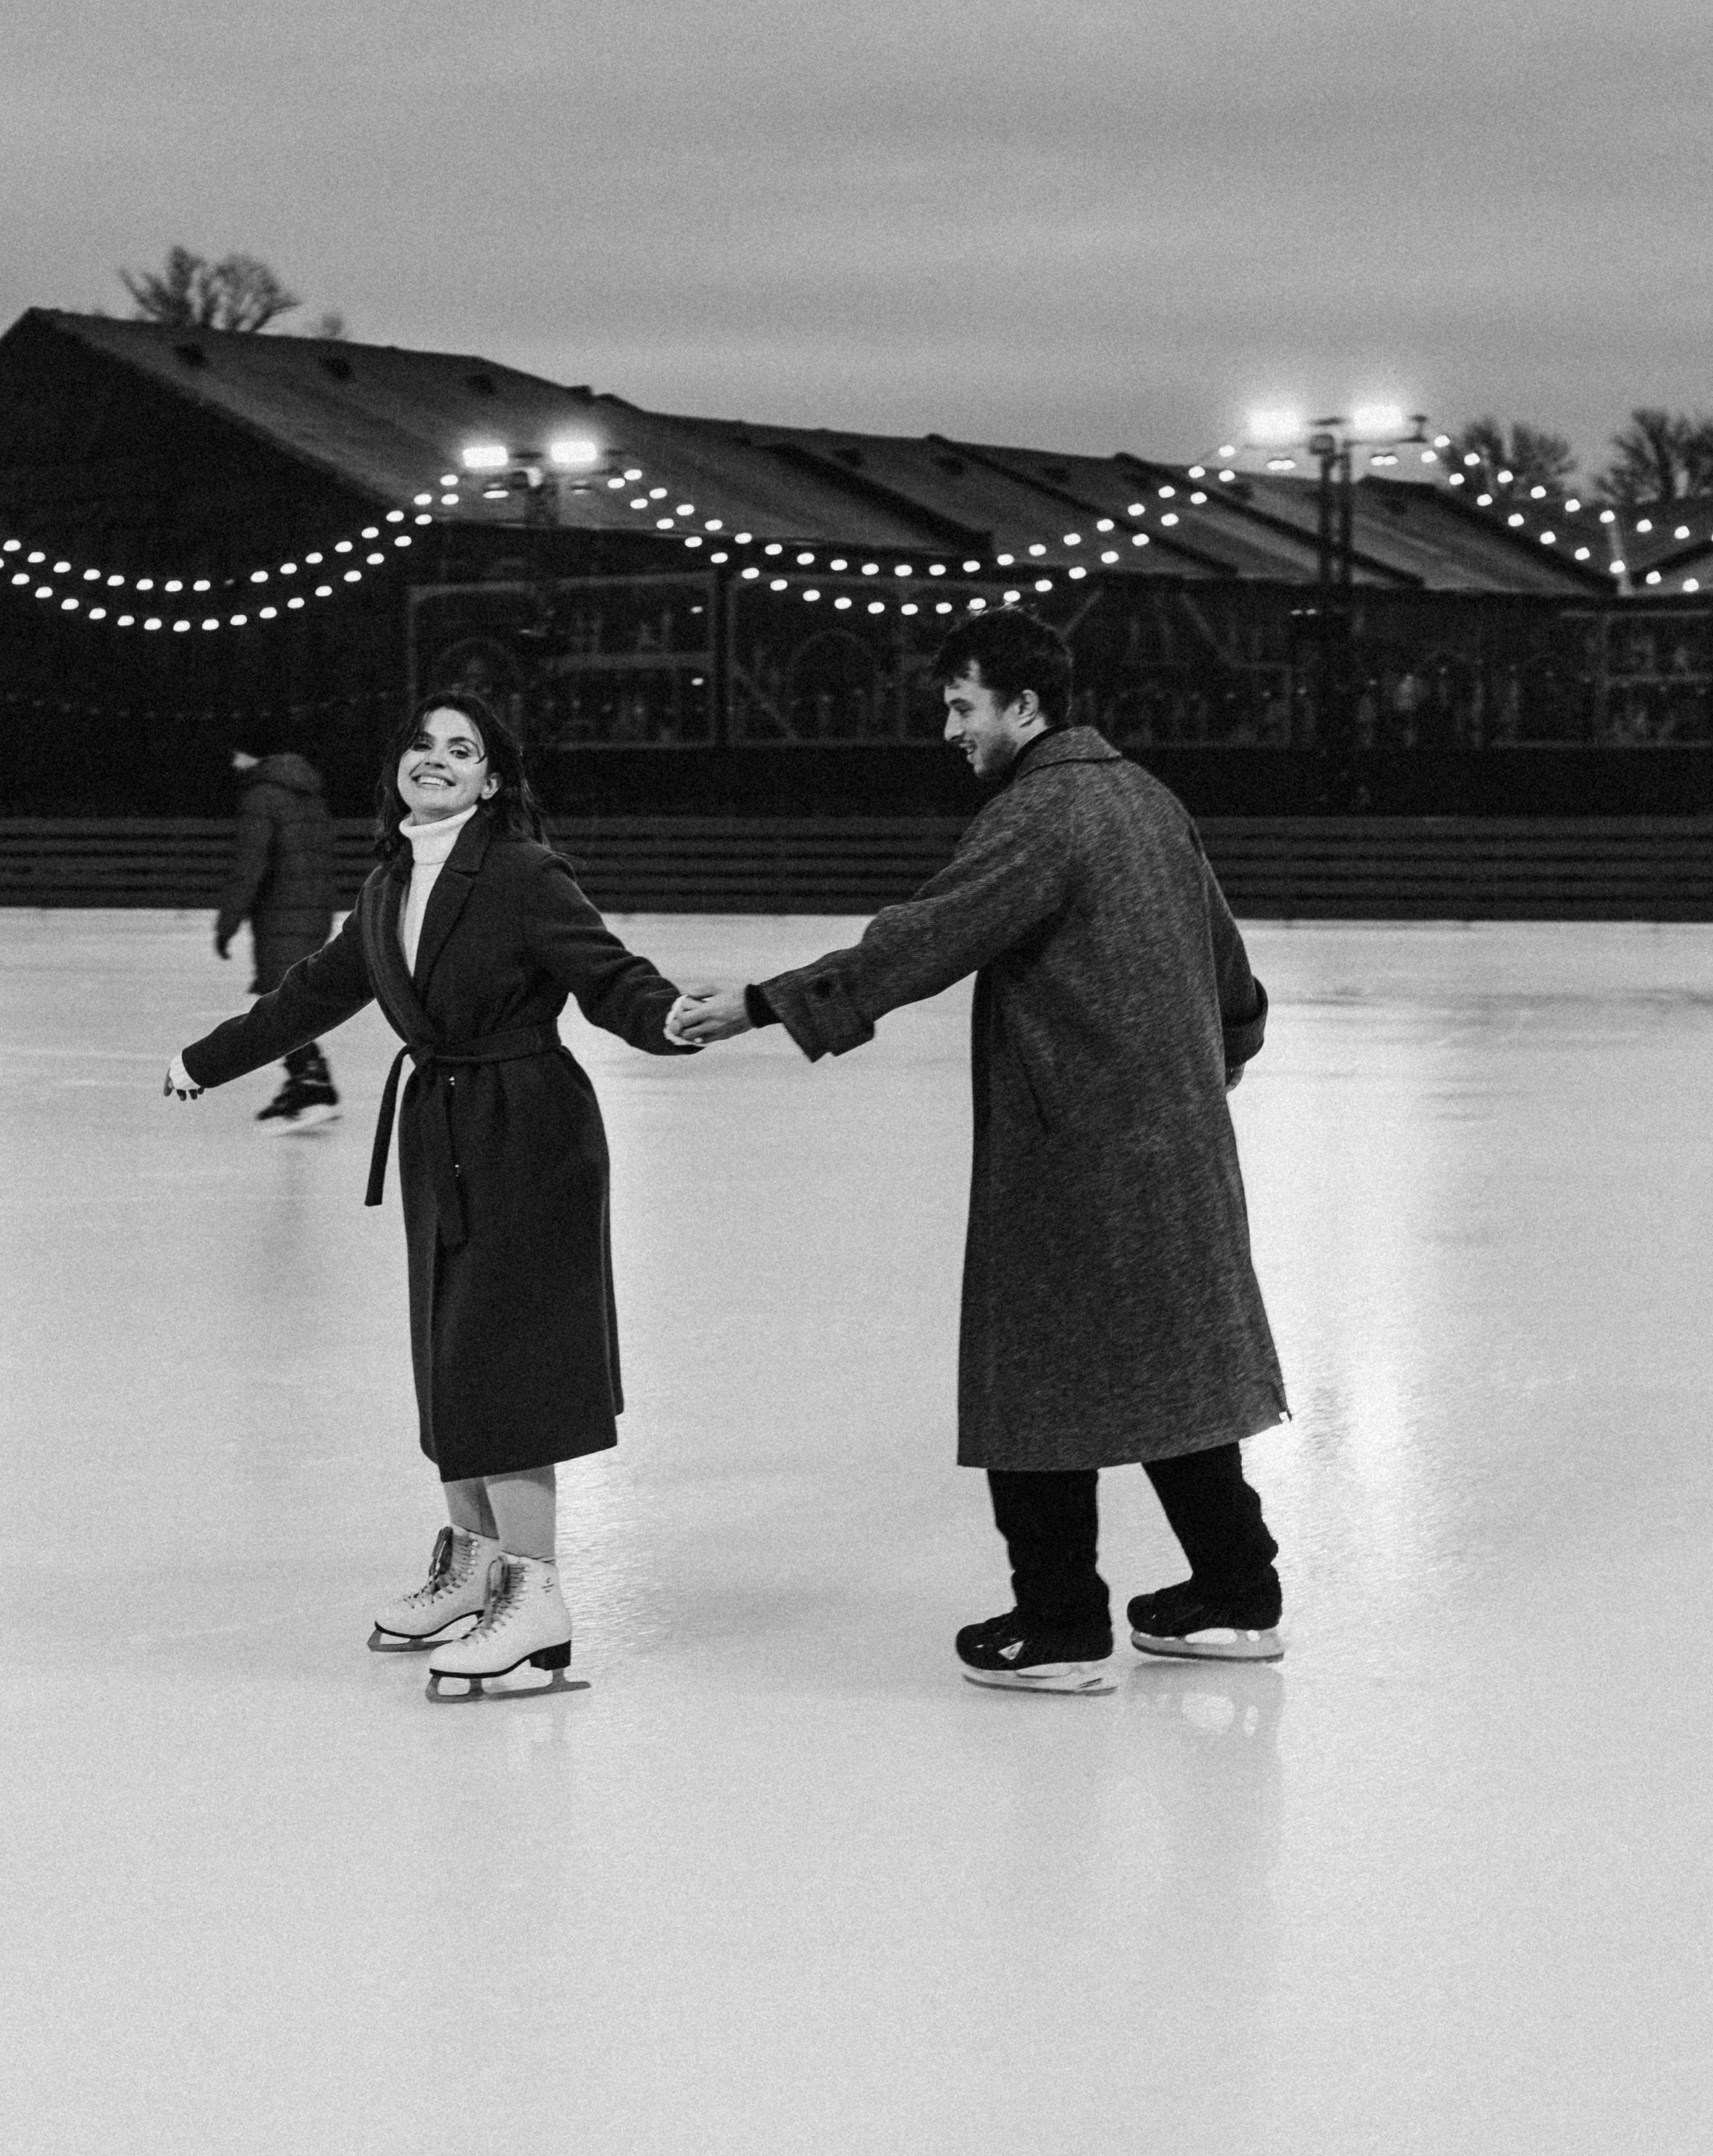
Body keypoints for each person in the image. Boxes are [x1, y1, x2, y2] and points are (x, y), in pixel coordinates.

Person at [670, 610, 1289, 1695]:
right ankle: (1237, 1595)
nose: (950, 730)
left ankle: (1057, 1622)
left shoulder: (1041, 812)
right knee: (1170, 1370)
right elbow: (1227, 963)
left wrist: (771, 1004)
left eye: (963, 707)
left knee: (1033, 1381)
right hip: (1176, 1145)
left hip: (1073, 1153)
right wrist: (1218, 1062)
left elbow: (929, 935)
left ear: (1026, 708)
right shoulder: (1148, 798)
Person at [166, 693, 699, 1700]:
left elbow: (607, 974)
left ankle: (535, 1597)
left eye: (463, 750)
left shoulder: (521, 871)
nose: (438, 759)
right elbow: (315, 992)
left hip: (529, 1129)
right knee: (450, 1354)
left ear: (493, 780)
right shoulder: (389, 882)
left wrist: (669, 1018)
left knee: (511, 1366)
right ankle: (473, 1565)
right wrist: (207, 1059)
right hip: (443, 1129)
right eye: (423, 744)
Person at [214, 739, 341, 1130]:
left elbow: (250, 865)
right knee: (288, 998)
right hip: (315, 912)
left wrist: (228, 922)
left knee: (282, 1001)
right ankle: (304, 1077)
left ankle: (312, 1080)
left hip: (281, 916)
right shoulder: (308, 793)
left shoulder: (262, 797)